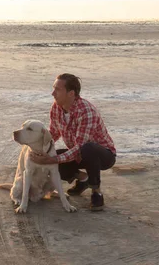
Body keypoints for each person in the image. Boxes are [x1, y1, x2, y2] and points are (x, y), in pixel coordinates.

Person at [30, 73, 116, 211]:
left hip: (103, 155)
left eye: (57, 89)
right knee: (54, 158)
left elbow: (80, 146)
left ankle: (96, 192)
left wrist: (52, 159)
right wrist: (38, 150)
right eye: (54, 88)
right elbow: (53, 133)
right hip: (78, 154)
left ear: (71, 93)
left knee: (87, 149)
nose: (53, 93)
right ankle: (83, 179)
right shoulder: (56, 107)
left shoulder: (86, 111)